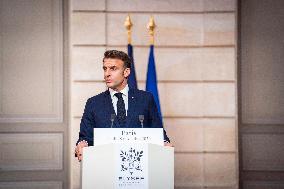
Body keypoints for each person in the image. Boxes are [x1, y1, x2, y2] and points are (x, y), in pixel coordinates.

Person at [75, 50, 172, 161]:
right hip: (105, 166)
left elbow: (158, 131)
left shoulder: (145, 99)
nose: (107, 74)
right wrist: (82, 143)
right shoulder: (93, 103)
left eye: (113, 68)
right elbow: (85, 136)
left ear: (126, 72)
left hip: (139, 166)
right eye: (105, 69)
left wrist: (165, 143)